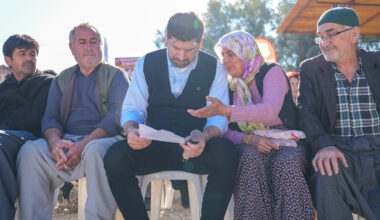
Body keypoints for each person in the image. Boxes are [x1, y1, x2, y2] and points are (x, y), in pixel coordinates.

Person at [104, 12, 238, 220]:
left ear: (200, 42)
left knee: (226, 152)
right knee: (115, 157)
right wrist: (131, 131)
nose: (182, 56)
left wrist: (205, 138)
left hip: (196, 149)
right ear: (167, 38)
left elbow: (218, 118)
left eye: (190, 50)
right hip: (154, 147)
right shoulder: (146, 63)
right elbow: (132, 109)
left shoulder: (215, 68)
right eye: (176, 48)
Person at [188, 31, 315, 219]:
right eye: (222, 55)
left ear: (246, 52)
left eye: (230, 54)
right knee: (249, 159)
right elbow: (225, 129)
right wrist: (248, 138)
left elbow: (269, 111)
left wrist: (228, 110)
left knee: (286, 163)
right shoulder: (231, 85)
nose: (224, 60)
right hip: (249, 142)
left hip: (285, 140)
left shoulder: (271, 71)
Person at [16, 23, 129, 220]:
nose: (89, 47)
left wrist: (82, 146)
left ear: (100, 46)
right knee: (30, 151)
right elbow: (50, 117)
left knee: (96, 151)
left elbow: (116, 118)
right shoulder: (62, 78)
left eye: (94, 42)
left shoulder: (116, 76)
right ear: (72, 48)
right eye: (82, 42)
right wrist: (54, 144)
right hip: (67, 142)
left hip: (102, 141)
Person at [298, 7, 380, 220]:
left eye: (331, 34)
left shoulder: (377, 63)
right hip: (340, 150)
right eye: (320, 37)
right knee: (326, 174)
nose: (324, 43)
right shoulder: (310, 69)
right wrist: (324, 146)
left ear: (354, 35)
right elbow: (306, 112)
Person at [0, 34, 54, 220]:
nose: (29, 58)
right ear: (8, 60)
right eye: (22, 54)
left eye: (32, 54)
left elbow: (33, 118)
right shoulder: (2, 89)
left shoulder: (47, 82)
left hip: (32, 140)